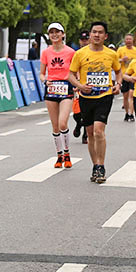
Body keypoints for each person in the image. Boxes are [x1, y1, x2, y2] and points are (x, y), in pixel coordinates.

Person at [67, 21, 121, 184]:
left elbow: (118, 72)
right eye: (94, 32)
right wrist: (80, 85)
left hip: (104, 97)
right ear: (89, 35)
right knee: (90, 133)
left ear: (106, 36)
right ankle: (95, 165)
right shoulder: (80, 54)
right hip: (86, 98)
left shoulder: (111, 54)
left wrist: (118, 85)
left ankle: (101, 166)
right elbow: (70, 75)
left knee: (99, 131)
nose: (96, 35)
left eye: (100, 32)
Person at [40, 23, 75, 169]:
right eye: (51, 32)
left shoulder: (71, 52)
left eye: (57, 32)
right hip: (51, 89)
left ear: (63, 34)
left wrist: (77, 86)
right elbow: (42, 74)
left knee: (62, 123)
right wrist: (45, 80)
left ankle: (67, 153)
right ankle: (59, 155)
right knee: (55, 126)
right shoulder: (46, 52)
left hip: (66, 88)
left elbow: (75, 72)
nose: (54, 35)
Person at [116, 34, 136, 122]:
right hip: (124, 75)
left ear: (133, 40)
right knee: (125, 96)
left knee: (132, 94)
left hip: (133, 76)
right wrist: (122, 60)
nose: (129, 41)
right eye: (127, 39)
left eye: (130, 39)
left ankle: (131, 113)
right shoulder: (121, 50)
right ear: (125, 41)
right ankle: (127, 113)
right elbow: (115, 60)